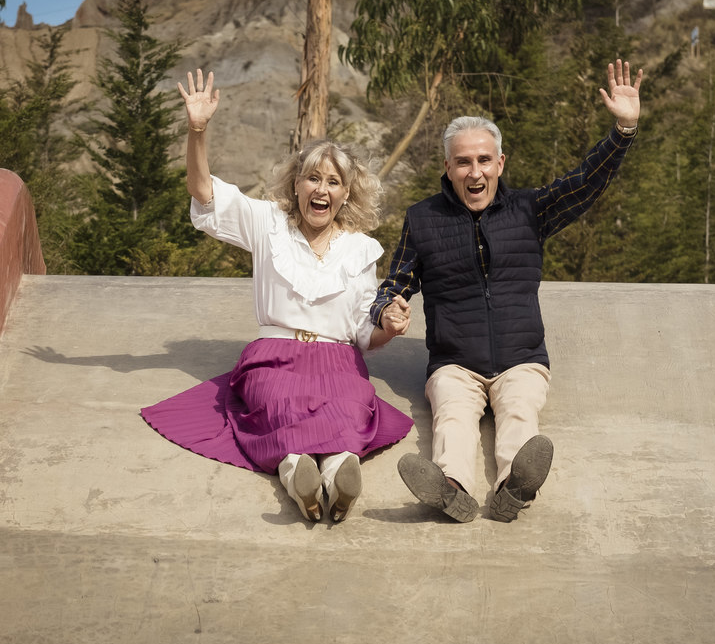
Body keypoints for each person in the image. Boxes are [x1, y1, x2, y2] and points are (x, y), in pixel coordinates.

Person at [370, 59, 644, 523]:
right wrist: (385, 312)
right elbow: (394, 283)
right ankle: (451, 489)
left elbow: (585, 183)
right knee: (452, 419)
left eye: (483, 160)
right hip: (454, 362)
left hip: (522, 357)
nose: (473, 172)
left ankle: (513, 487)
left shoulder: (529, 209)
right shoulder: (423, 219)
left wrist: (623, 128)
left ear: (500, 163)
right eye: (462, 162)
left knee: (519, 413)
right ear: (448, 167)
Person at [141, 69, 415, 523]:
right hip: (273, 355)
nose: (321, 189)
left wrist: (388, 325)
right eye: (312, 178)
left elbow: (364, 333)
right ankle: (297, 475)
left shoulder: (361, 250)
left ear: (346, 194)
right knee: (279, 406)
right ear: (296, 185)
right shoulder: (268, 224)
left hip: (337, 359)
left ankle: (337, 475)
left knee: (348, 406)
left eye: (332, 182)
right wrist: (197, 130)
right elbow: (204, 192)